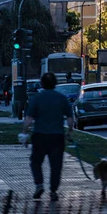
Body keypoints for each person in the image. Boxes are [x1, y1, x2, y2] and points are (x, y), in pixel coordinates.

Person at [19, 72, 73, 201]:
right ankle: (53, 191)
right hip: (57, 137)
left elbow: (28, 120)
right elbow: (70, 120)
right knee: (56, 165)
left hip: (40, 136)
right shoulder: (62, 98)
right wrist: (69, 133)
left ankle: (39, 184)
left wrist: (24, 134)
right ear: (55, 83)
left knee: (36, 162)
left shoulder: (37, 98)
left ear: (42, 84)